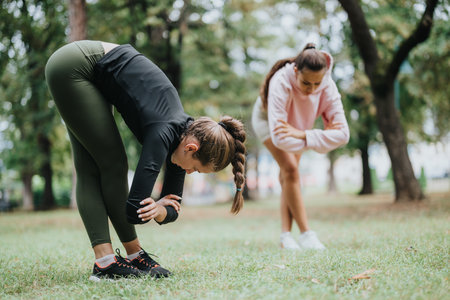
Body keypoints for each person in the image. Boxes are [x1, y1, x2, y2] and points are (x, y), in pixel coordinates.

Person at [45, 40, 246, 281]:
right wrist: (156, 206)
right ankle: (113, 261)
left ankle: (122, 258)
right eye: (196, 169)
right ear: (192, 148)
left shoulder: (183, 139)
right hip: (75, 66)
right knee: (114, 164)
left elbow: (173, 209)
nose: (189, 173)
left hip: (93, 73)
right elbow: (133, 209)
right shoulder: (163, 132)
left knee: (89, 165)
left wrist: (160, 209)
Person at [251, 43, 349, 250]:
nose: (312, 90)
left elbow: (343, 135)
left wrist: (305, 134)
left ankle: (285, 237)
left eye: (317, 84)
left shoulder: (327, 86)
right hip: (268, 123)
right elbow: (280, 138)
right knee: (291, 170)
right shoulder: (281, 81)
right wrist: (322, 136)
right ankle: (306, 234)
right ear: (296, 70)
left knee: (288, 176)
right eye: (306, 83)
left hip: (298, 128)